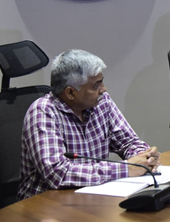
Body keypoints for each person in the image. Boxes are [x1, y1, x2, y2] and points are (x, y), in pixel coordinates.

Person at [17, 49, 160, 200]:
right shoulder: (43, 112)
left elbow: (128, 142)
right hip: (45, 203)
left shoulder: (102, 102)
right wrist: (125, 168)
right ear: (70, 93)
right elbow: (57, 173)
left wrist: (145, 158)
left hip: (93, 196)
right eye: (96, 86)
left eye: (102, 81)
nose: (103, 89)